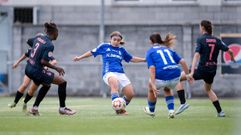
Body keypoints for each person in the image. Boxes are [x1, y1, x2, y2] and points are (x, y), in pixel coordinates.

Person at [73, 31, 145, 115]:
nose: (116, 42)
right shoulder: (104, 46)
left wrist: (144, 60)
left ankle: (121, 106)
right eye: (114, 39)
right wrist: (79, 57)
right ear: (110, 39)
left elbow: (132, 58)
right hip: (108, 73)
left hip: (120, 73)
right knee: (114, 83)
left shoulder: (122, 50)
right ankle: (119, 109)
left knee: (130, 94)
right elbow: (91, 52)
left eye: (118, 40)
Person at [176, 20, 235, 117]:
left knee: (177, 78)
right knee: (208, 89)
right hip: (212, 71)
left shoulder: (201, 39)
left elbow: (196, 55)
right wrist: (232, 59)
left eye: (200, 27)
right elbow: (231, 51)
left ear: (202, 27)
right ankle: (220, 112)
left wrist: (191, 72)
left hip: (202, 69)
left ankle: (183, 103)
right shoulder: (217, 40)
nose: (199, 28)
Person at [25, 22, 76, 116]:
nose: (58, 35)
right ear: (54, 33)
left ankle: (34, 108)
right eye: (57, 32)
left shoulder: (39, 38)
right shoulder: (49, 45)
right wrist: (57, 68)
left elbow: (28, 41)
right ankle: (62, 108)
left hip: (28, 68)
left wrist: (36, 52)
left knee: (46, 85)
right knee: (62, 82)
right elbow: (43, 61)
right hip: (36, 70)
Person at [144, 32, 192, 118]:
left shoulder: (150, 52)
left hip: (162, 76)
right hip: (175, 76)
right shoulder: (169, 49)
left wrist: (153, 84)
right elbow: (183, 62)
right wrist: (188, 75)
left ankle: (151, 110)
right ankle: (171, 111)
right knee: (168, 88)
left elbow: (152, 68)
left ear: (151, 41)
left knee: (151, 88)